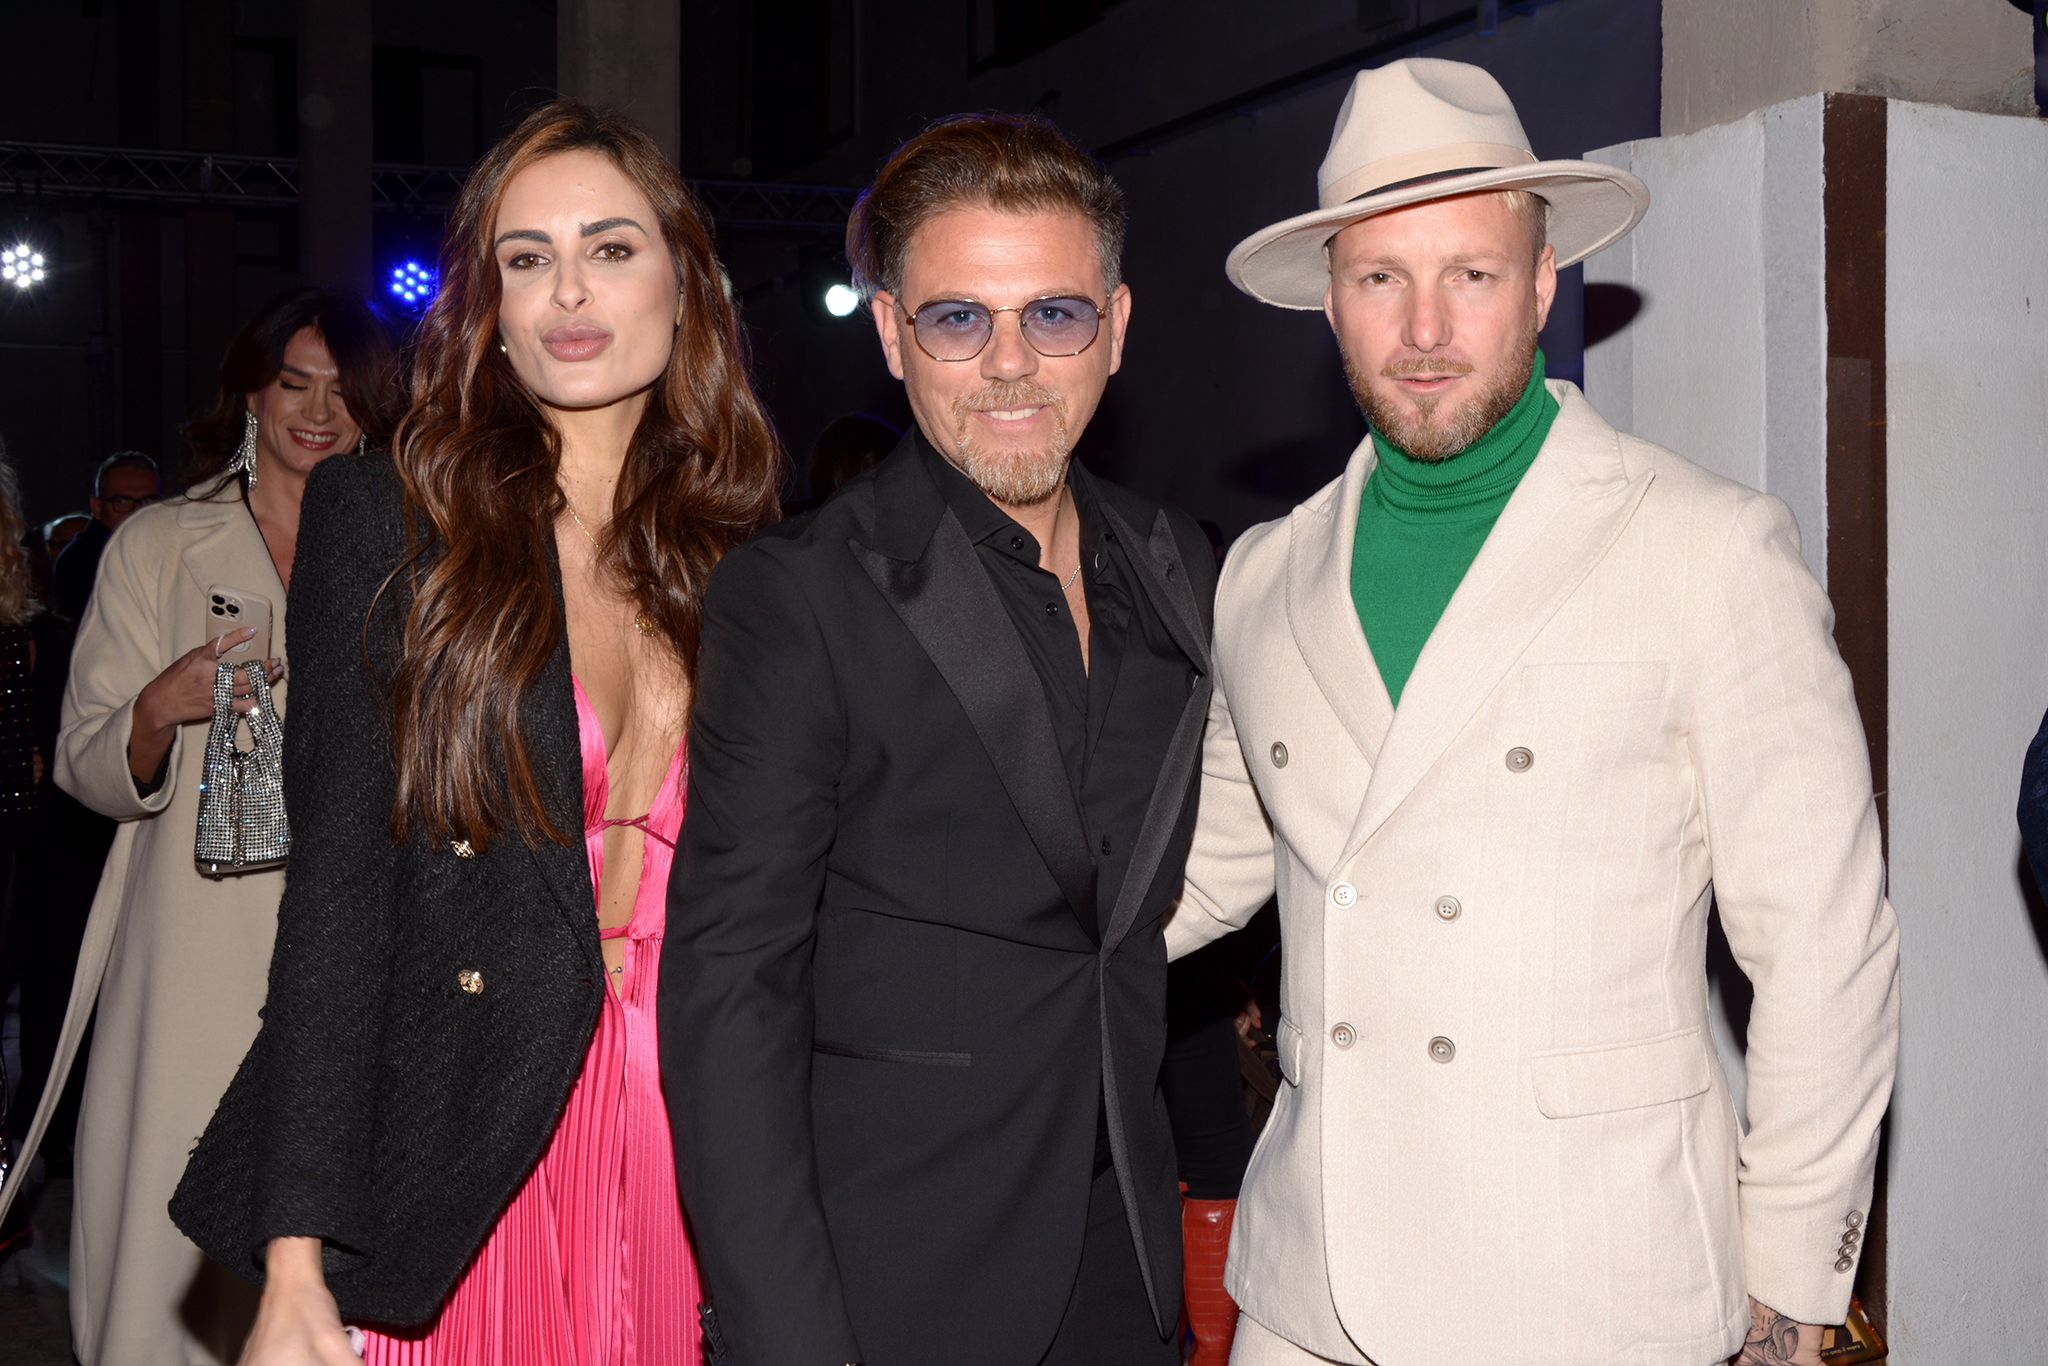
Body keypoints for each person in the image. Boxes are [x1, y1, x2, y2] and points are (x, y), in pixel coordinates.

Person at [1167, 59, 1901, 1366]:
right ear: (1330, 299)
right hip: (1308, 1294)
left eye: (1472, 273)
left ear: (1544, 283)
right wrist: (940, 923)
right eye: (1380, 278)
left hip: (1590, 1289)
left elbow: (1823, 947)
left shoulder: (1707, 547)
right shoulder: (1265, 576)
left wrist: (1792, 1285)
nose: (1424, 326)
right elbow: (1195, 869)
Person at [170, 102, 782, 1366]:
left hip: (692, 1125)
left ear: (684, 284)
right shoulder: (389, 521)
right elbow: (337, 897)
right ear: (487, 305)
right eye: (527, 257)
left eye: (611, 249)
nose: (570, 289)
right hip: (464, 1125)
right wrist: (296, 1255)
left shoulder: (744, 553)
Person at [661, 111, 1216, 1366]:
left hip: (1126, 1266)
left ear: (1115, 327)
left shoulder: (1175, 561)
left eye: (1053, 315)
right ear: (890, 336)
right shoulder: (799, 594)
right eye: (958, 319)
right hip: (894, 1280)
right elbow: (729, 993)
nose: (1010, 363)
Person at [0, 287, 399, 1365]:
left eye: (343, 392)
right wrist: (155, 709)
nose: (317, 412)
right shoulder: (161, 544)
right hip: (193, 931)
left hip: (358, 932)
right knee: (168, 1218)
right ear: (252, 396)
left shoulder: (411, 553)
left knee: (330, 1224)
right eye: (293, 384)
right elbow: (83, 757)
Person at [52, 452, 162, 622]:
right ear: (97, 506)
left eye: (148, 501)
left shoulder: (164, 548)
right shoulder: (80, 561)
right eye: (122, 501)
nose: (138, 511)